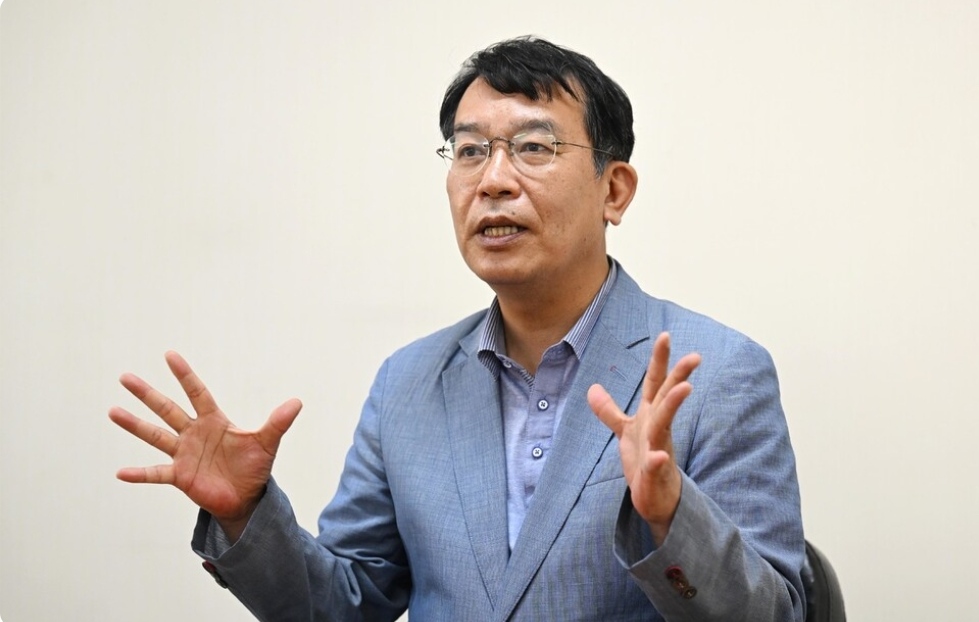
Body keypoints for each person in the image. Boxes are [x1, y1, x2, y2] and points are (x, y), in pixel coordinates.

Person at [110, 36, 807, 621]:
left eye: (533, 147)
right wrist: (246, 516)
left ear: (613, 189)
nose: (493, 180)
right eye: (470, 150)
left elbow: (777, 614)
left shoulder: (716, 372)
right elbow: (344, 605)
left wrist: (672, 518)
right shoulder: (408, 382)